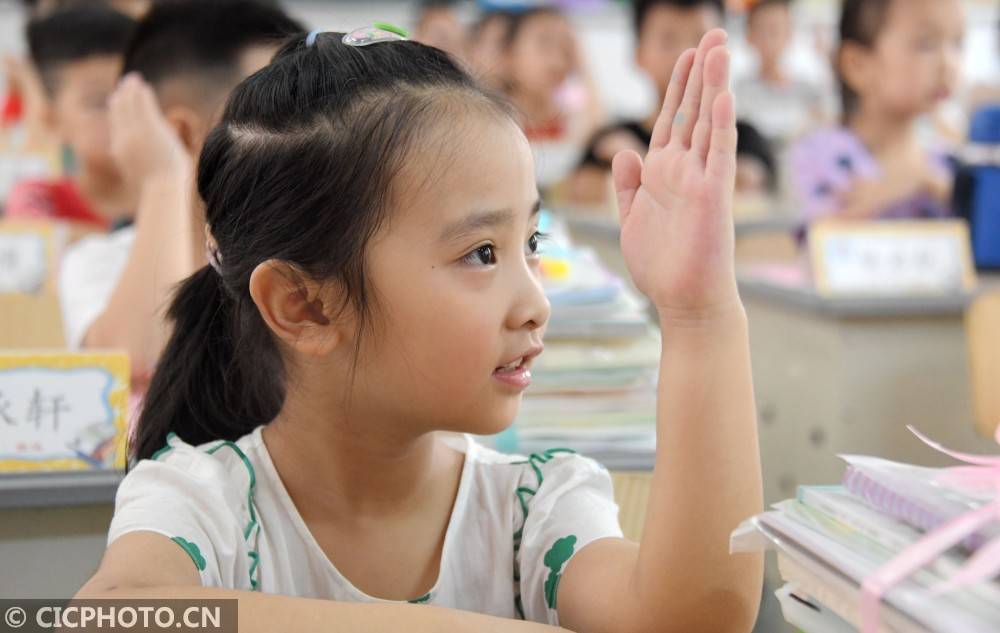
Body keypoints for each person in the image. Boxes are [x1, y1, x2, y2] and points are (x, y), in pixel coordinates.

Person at [76, 28, 763, 633]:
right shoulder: (206, 504)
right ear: (305, 305)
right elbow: (108, 615)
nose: (534, 302)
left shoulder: (532, 512)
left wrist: (699, 314)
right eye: (480, 254)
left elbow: (690, 617)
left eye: (531, 240)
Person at [57, 0, 302, 386]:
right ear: (182, 134)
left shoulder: (312, 253)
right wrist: (164, 178)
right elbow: (133, 371)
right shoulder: (100, 263)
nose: (306, 136)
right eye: (277, 114)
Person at [790, 0, 963, 222]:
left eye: (958, 43)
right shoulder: (817, 154)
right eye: (925, 44)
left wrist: (930, 184)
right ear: (857, 65)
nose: (949, 64)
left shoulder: (948, 163)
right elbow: (815, 240)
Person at [570, 0, 725, 204]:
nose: (687, 54)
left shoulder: (741, 138)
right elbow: (579, 193)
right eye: (668, 40)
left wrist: (643, 164)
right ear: (638, 53)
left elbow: (743, 186)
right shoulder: (610, 139)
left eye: (700, 40)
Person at [5, 5, 136, 228]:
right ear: (52, 121)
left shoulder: (182, 196)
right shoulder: (38, 200)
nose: (124, 111)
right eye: (100, 103)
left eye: (135, 94)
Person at [501, 7, 604, 192]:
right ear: (509, 53)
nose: (556, 61)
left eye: (565, 50)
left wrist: (584, 69)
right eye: (544, 45)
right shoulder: (495, 119)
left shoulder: (573, 121)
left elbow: (597, 127)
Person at [733, 0, 827, 147]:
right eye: (761, 30)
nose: (769, 40)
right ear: (749, 36)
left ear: (789, 35)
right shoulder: (740, 91)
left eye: (775, 31)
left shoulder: (807, 90)